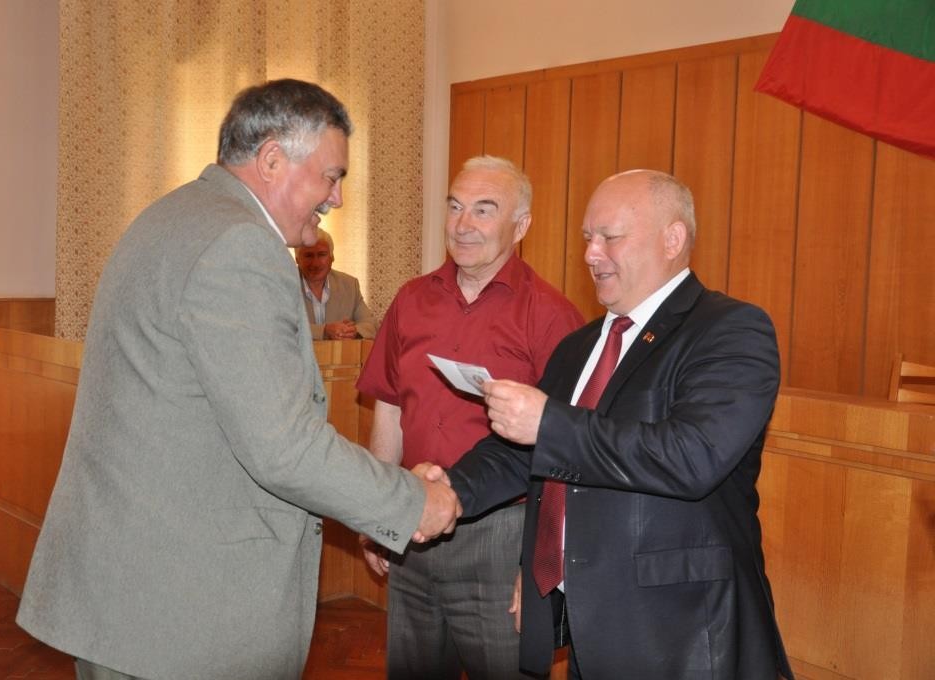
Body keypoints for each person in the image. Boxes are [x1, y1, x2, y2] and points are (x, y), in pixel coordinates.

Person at [15, 79, 460, 680]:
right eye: (331, 176)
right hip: (182, 615)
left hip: (130, 595)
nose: (336, 198)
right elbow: (285, 448)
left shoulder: (176, 215)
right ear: (272, 159)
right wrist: (410, 502)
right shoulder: (239, 247)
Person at [442, 169, 794, 679]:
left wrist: (548, 423)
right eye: (588, 237)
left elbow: (692, 456)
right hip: (593, 625)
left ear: (673, 239)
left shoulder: (730, 329)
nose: (591, 254)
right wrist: (446, 490)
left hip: (685, 633)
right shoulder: (579, 346)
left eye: (610, 237)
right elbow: (528, 451)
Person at [356, 155, 585, 679]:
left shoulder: (552, 315)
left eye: (484, 210)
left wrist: (540, 563)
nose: (463, 224)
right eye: (456, 207)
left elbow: (569, 450)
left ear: (520, 226)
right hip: (412, 520)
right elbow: (389, 407)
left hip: (501, 537)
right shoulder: (410, 300)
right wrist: (378, 512)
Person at [295, 228, 376, 339]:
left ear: (332, 257)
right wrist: (324, 331)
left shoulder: (349, 285)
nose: (315, 263)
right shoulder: (283, 285)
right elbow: (280, 328)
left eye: (322, 254)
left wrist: (353, 331)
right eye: (309, 256)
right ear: (297, 259)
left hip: (340, 351)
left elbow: (371, 325)